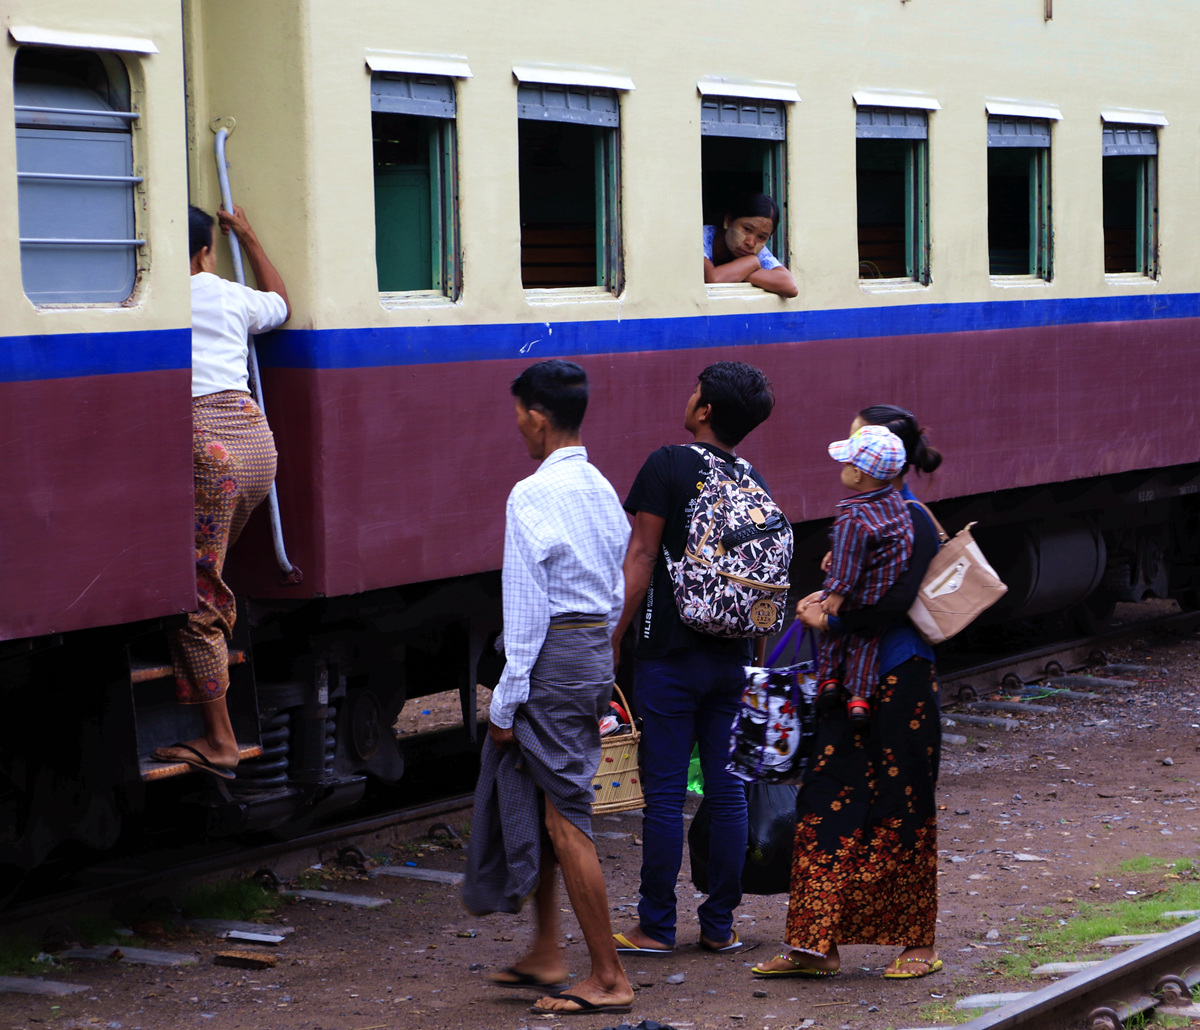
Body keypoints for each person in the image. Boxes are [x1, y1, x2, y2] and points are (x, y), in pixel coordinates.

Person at [462, 360, 635, 1018]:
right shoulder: (600, 487)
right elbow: (616, 587)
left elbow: (527, 612)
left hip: (553, 657)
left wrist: (505, 703)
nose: (516, 426)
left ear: (537, 417)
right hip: (590, 651)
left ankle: (609, 977)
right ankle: (545, 951)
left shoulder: (530, 494)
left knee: (565, 818)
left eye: (518, 415)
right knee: (542, 799)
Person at [753, 405, 944, 981]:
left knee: (903, 803)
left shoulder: (913, 520)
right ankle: (814, 945)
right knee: (822, 800)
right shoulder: (859, 515)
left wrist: (831, 620)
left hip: (899, 677)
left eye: (858, 439)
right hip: (845, 684)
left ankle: (917, 943)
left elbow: (894, 605)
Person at [612, 361, 776, 955]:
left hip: (670, 656)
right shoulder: (752, 479)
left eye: (695, 393)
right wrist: (753, 660)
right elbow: (762, 587)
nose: (689, 398)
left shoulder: (668, 463)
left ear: (704, 410)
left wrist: (613, 637)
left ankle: (656, 927)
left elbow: (641, 556)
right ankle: (720, 925)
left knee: (663, 795)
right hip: (732, 657)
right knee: (727, 792)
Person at [152, 204, 290, 779]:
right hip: (256, 445)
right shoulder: (230, 294)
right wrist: (250, 237)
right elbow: (281, 303)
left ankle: (221, 741)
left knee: (197, 597)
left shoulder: (154, 300)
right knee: (206, 571)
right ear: (206, 252)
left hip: (209, 453)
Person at [813, 425, 913, 729]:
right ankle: (859, 699)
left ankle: (829, 681)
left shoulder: (853, 515)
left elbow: (848, 558)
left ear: (857, 474)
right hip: (880, 591)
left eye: (846, 464)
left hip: (855, 592)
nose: (842, 469)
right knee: (866, 644)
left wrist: (836, 591)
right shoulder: (896, 504)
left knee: (831, 631)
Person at [703, 192, 798, 298]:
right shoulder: (701, 238)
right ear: (728, 221)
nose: (751, 243)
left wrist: (741, 271)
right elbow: (714, 279)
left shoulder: (755, 249)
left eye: (761, 237)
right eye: (747, 229)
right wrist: (752, 263)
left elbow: (790, 287)